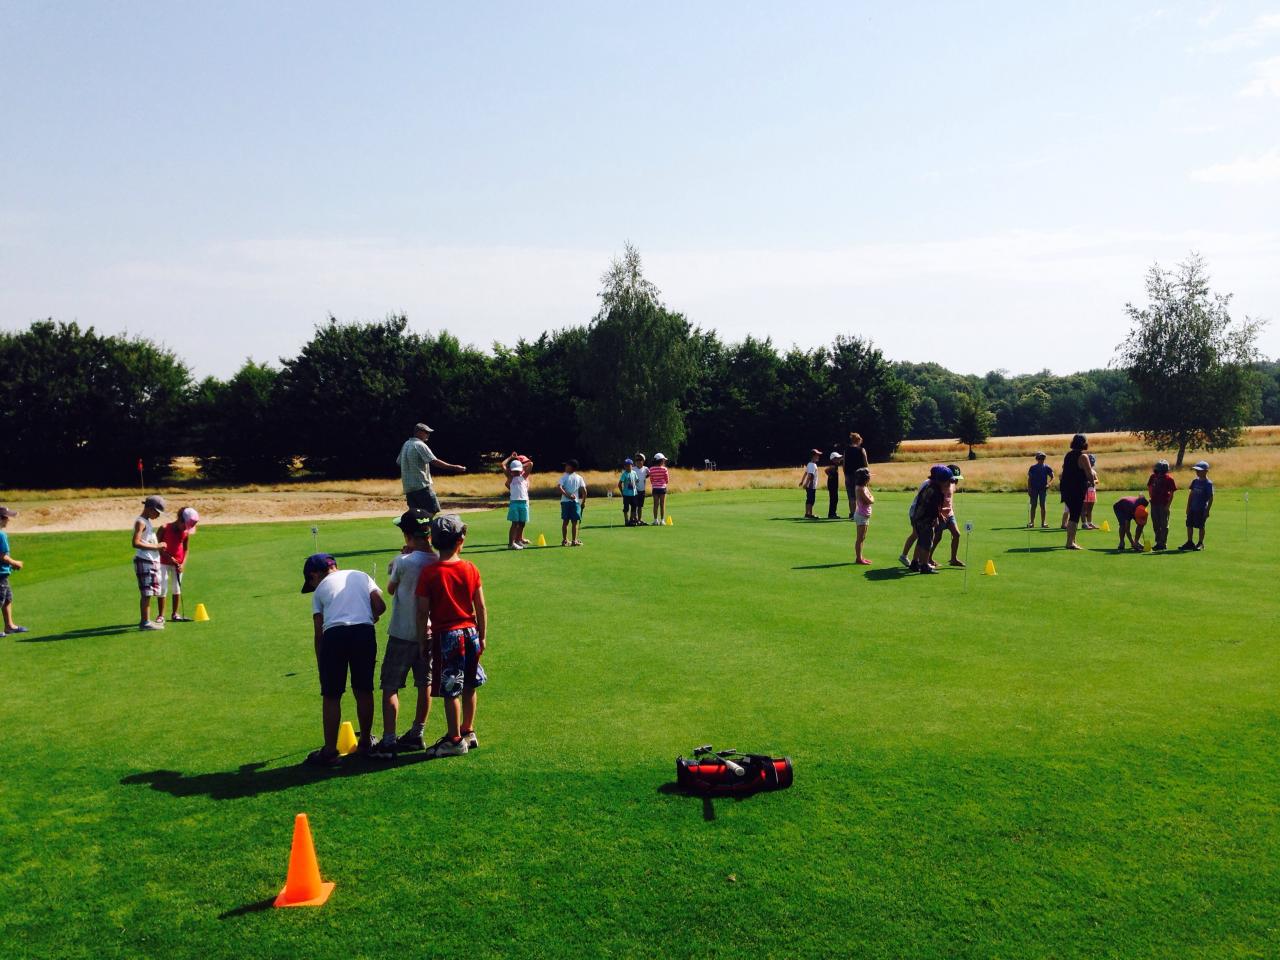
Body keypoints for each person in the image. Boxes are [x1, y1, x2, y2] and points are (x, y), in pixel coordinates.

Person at [301, 553, 386, 767]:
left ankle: (330, 751)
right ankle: (366, 742)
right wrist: (371, 617)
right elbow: (380, 605)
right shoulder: (361, 575)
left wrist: (321, 661)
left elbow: (318, 630)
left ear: (314, 575)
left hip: (334, 636)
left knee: (331, 695)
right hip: (363, 633)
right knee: (363, 689)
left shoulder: (319, 590)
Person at [415, 515, 488, 757]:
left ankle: (454, 739)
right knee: (469, 683)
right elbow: (481, 607)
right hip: (470, 633)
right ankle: (468, 730)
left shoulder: (429, 573)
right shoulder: (470, 568)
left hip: (447, 636)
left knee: (450, 688)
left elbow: (422, 611)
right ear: (460, 540)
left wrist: (421, 641)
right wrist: (483, 636)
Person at [372, 509, 437, 759]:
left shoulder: (403, 562)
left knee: (390, 686)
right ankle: (417, 733)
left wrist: (398, 559)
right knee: (425, 683)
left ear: (407, 535)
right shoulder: (437, 559)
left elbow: (390, 589)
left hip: (402, 631)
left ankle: (388, 741)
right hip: (430, 632)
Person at [396, 422, 467, 514]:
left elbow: (399, 462)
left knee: (417, 515)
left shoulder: (406, 444)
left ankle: (419, 528)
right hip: (421, 486)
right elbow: (434, 461)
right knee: (432, 511)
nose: (428, 434)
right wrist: (454, 467)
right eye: (426, 432)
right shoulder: (420, 445)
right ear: (419, 432)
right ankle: (427, 528)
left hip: (408, 488)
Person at [157, 507, 200, 623]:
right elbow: (157, 547)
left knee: (177, 588)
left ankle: (175, 614)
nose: (186, 529)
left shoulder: (185, 532)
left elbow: (186, 549)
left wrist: (183, 564)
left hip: (178, 565)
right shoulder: (164, 528)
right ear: (180, 519)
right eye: (185, 525)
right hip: (163, 563)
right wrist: (170, 558)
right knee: (162, 588)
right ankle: (161, 615)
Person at [132, 495, 167, 631]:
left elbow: (147, 541)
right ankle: (145, 622)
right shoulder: (141, 522)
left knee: (150, 592)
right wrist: (157, 547)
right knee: (147, 592)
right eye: (157, 512)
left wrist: (157, 546)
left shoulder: (147, 521)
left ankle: (147, 620)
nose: (158, 516)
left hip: (150, 560)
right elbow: (136, 543)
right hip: (144, 560)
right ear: (150, 509)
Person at [909, 466, 950, 573]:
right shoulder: (935, 491)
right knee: (927, 543)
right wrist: (936, 518)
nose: (949, 484)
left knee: (921, 540)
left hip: (917, 518)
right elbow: (933, 507)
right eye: (947, 481)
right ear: (941, 481)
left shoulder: (928, 486)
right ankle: (924, 565)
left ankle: (915, 562)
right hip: (925, 520)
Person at [1059, 435, 1096, 550]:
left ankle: (1072, 540)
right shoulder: (1083, 456)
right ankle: (1070, 543)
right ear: (1083, 443)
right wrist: (1092, 482)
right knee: (1074, 516)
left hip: (1066, 488)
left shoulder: (1068, 455)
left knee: (1073, 514)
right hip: (1076, 489)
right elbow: (1089, 474)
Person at [0, 506, 28, 636]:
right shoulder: (1, 535)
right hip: (0, 573)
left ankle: (9, 626)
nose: (8, 521)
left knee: (7, 599)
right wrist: (14, 562)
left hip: (3, 573)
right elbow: (1, 555)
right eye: (6, 518)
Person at [932, 464, 965, 567]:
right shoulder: (941, 486)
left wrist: (952, 511)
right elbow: (936, 502)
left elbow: (950, 500)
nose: (956, 481)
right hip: (940, 514)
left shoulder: (953, 485)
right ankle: (927, 558)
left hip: (950, 514)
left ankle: (953, 559)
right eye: (954, 479)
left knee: (957, 534)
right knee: (937, 537)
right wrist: (938, 514)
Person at [1179, 461, 1214, 551]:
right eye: (1196, 470)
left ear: (1206, 471)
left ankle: (1200, 543)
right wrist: (1188, 507)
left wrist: (1207, 511)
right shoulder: (1195, 481)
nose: (1197, 472)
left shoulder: (1208, 483)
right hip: (1192, 508)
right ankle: (1190, 542)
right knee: (1189, 524)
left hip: (1201, 508)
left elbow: (1211, 498)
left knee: (1201, 526)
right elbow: (1191, 494)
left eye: (1199, 470)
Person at [1145, 460, 1177, 551]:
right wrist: (1151, 496)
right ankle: (1158, 542)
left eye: (1160, 470)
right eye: (1157, 470)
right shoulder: (1153, 477)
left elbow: (1172, 493)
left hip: (1164, 504)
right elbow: (1149, 486)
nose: (1158, 472)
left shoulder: (1169, 479)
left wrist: (1168, 505)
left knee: (1164, 524)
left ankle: (1163, 543)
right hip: (1154, 503)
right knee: (1156, 524)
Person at [558, 459, 587, 546]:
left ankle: (565, 540)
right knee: (575, 522)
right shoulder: (579, 478)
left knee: (565, 522)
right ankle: (574, 541)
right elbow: (584, 491)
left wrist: (567, 495)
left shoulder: (564, 477)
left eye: (567, 465)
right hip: (575, 502)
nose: (565, 467)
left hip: (565, 502)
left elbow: (559, 487)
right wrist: (583, 502)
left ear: (571, 467)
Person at [504, 457, 531, 549]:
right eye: (514, 470)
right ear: (511, 470)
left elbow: (531, 464)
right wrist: (511, 458)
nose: (516, 472)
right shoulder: (510, 477)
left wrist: (521, 466)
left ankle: (518, 541)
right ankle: (511, 544)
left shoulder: (524, 477)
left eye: (518, 470)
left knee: (522, 523)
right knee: (515, 523)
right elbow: (503, 465)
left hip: (524, 502)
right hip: (514, 503)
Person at [842, 433, 870, 518]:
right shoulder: (861, 450)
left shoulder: (846, 450)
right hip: (860, 476)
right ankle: (860, 513)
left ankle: (852, 513)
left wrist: (845, 474)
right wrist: (867, 474)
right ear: (858, 440)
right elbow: (866, 463)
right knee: (861, 494)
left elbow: (844, 464)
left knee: (851, 496)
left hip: (848, 475)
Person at [852, 467, 874, 565]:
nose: (869, 478)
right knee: (860, 538)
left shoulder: (864, 487)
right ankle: (858, 558)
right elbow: (870, 500)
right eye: (868, 477)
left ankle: (860, 557)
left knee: (863, 537)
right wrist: (871, 498)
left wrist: (871, 498)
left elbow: (871, 497)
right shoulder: (860, 488)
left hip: (864, 515)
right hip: (861, 515)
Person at [1027, 452, 1054, 528]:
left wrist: (1049, 484)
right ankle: (1031, 522)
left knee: (1043, 505)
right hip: (1034, 489)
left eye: (1042, 458)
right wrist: (1029, 489)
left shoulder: (1047, 467)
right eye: (1039, 458)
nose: (1041, 460)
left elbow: (1052, 476)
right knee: (1033, 505)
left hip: (1043, 489)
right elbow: (1029, 479)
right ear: (1036, 459)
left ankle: (1043, 523)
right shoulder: (1032, 467)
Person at [649, 453, 670, 524]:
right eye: (663, 460)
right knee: (662, 504)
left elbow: (651, 480)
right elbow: (667, 480)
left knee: (655, 504)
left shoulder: (651, 469)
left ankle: (655, 520)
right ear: (661, 461)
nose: (664, 462)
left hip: (655, 488)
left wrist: (655, 483)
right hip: (662, 488)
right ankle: (662, 520)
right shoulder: (665, 469)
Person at [799, 449, 820, 519]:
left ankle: (808, 513)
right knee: (811, 500)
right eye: (817, 455)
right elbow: (810, 475)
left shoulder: (809, 464)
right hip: (811, 486)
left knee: (810, 499)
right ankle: (809, 514)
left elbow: (805, 473)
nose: (818, 457)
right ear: (813, 456)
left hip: (810, 486)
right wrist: (805, 483)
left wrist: (802, 481)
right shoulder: (813, 465)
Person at [618, 458, 639, 526]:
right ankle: (626, 521)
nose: (627, 467)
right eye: (626, 465)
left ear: (631, 465)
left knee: (634, 508)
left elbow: (637, 480)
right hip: (626, 494)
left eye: (628, 465)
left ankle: (631, 520)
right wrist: (622, 492)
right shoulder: (624, 474)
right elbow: (619, 484)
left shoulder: (634, 472)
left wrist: (634, 485)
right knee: (626, 508)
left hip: (634, 494)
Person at [1081, 454, 1099, 529]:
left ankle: (1089, 522)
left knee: (1090, 509)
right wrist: (1086, 483)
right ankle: (1084, 523)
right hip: (1085, 491)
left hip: (1092, 491)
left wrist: (1094, 482)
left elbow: (1097, 480)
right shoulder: (1083, 471)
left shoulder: (1093, 471)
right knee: (1083, 508)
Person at [633, 453, 650, 525]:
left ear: (643, 461)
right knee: (634, 506)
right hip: (635, 491)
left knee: (640, 506)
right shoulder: (633, 469)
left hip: (642, 490)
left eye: (640, 460)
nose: (638, 461)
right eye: (637, 460)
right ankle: (634, 519)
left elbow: (649, 474)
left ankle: (639, 520)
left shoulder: (646, 468)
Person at [825, 453, 843, 519]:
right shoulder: (833, 465)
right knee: (834, 499)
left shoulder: (835, 464)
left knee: (834, 499)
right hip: (832, 485)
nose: (839, 459)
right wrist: (830, 475)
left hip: (833, 485)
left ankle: (832, 513)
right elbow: (826, 470)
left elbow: (841, 458)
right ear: (833, 459)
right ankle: (832, 514)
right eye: (837, 458)